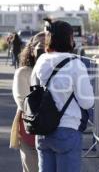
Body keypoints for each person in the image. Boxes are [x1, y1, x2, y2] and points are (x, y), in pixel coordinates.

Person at [31, 20, 94, 172]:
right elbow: (87, 102)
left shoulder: (41, 60)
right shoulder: (75, 64)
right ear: (68, 39)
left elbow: (33, 89)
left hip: (42, 129)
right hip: (67, 129)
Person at [11, 32, 45, 172]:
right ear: (31, 49)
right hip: (30, 130)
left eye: (49, 45)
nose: (45, 50)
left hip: (54, 133)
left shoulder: (58, 71)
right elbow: (23, 103)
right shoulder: (23, 72)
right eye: (41, 46)